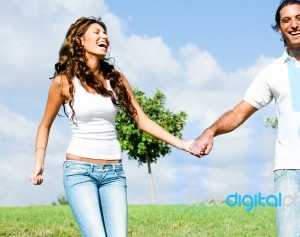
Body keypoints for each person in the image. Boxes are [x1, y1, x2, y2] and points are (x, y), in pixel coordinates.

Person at [189, 0, 300, 236]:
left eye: (299, 18)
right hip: (288, 169)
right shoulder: (272, 72)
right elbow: (240, 111)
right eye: (286, 20)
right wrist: (210, 131)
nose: (293, 24)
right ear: (279, 28)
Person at [30, 17, 192, 237]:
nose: (104, 36)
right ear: (80, 40)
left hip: (114, 174)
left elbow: (142, 120)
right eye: (96, 32)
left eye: (105, 33)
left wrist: (182, 144)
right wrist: (39, 162)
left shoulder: (115, 79)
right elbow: (44, 125)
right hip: (80, 172)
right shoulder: (64, 81)